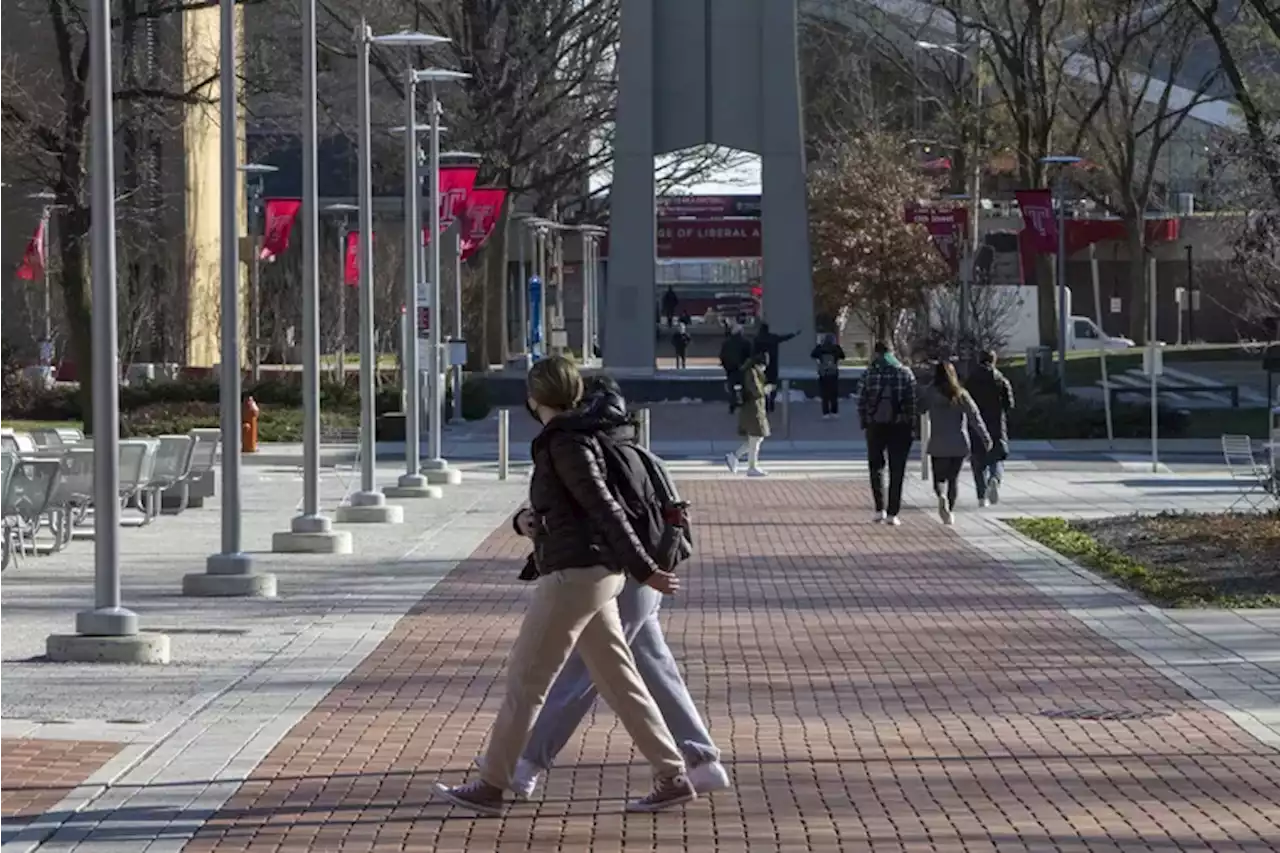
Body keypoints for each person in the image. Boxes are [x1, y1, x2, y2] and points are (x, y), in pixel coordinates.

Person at [434, 356, 695, 816]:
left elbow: (604, 508)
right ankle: (672, 774)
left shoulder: (564, 442)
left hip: (575, 578)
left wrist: (645, 569)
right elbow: (578, 507)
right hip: (593, 576)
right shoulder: (583, 436)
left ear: (536, 397)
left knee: (526, 680)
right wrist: (528, 522)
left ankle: (492, 784)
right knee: (620, 681)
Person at [494, 376, 730, 800]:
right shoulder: (634, 451)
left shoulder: (585, 447)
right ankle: (700, 759)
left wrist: (529, 525)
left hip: (615, 574)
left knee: (582, 673)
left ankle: (525, 763)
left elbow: (593, 513)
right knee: (647, 663)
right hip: (646, 575)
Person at [921, 361, 992, 526]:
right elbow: (975, 417)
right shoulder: (961, 395)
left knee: (939, 478)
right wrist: (985, 437)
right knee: (953, 479)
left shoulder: (931, 393)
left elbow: (919, 407)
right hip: (959, 442)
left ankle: (941, 496)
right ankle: (950, 512)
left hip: (938, 442)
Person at [858, 341, 917, 526]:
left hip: (876, 425)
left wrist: (865, 422)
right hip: (900, 426)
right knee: (897, 469)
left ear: (876, 353)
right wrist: (912, 425)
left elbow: (861, 401)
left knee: (876, 467)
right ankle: (893, 513)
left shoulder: (869, 373)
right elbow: (912, 402)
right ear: (892, 352)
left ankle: (879, 509)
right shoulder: (905, 373)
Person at [964, 350, 1015, 506]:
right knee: (997, 457)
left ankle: (981, 496)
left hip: (976, 425)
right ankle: (995, 479)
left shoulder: (971, 380)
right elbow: (1010, 404)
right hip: (996, 424)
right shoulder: (1000, 379)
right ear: (994, 361)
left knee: (978, 462)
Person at [725, 352, 771, 477]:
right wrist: (766, 390)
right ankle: (751, 466)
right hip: (753, 408)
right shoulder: (752, 372)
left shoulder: (751, 370)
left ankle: (736, 457)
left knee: (755, 438)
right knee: (756, 437)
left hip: (753, 408)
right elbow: (755, 390)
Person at [752, 323, 800, 413]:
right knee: (773, 384)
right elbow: (784, 338)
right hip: (773, 365)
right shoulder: (773, 338)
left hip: (761, 366)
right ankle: (772, 400)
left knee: (763, 385)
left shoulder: (757, 339)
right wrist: (794, 334)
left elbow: (753, 352)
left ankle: (765, 402)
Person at [718, 324, 752, 414]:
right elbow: (750, 356)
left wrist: (726, 366)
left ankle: (732, 404)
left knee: (731, 388)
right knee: (744, 387)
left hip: (730, 369)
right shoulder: (746, 342)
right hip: (742, 368)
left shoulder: (726, 343)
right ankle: (745, 405)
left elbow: (722, 356)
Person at [810, 334, 846, 419]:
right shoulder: (836, 348)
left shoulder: (820, 348)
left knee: (824, 393)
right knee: (834, 393)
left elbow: (812, 355)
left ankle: (825, 412)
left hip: (823, 374)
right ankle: (834, 411)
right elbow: (843, 356)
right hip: (833, 374)